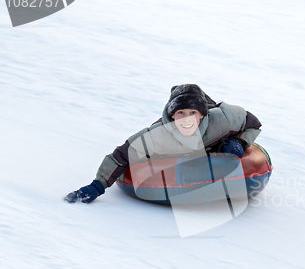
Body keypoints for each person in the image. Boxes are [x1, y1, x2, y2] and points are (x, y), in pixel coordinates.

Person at [65, 84, 262, 203]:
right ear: (171, 115)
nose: (187, 119)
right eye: (180, 113)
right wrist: (97, 185)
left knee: (218, 143)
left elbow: (253, 123)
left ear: (202, 115)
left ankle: (201, 104)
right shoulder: (157, 135)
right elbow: (122, 155)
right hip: (173, 145)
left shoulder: (224, 119)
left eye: (193, 113)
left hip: (212, 126)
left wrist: (239, 141)